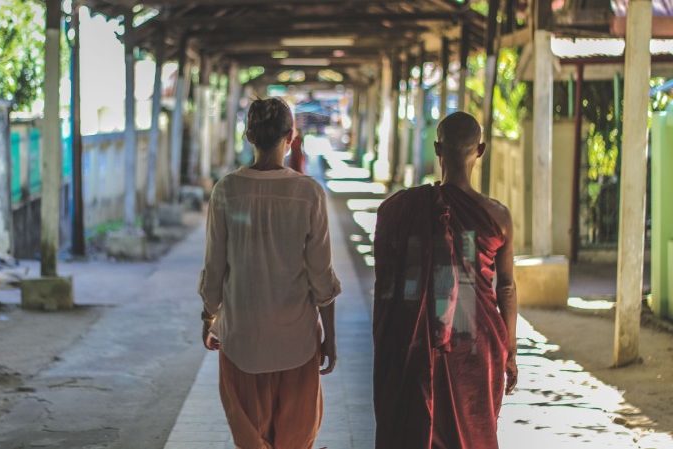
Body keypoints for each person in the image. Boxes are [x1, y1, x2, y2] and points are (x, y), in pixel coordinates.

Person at [199, 97, 341, 449]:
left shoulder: (227, 191)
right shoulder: (308, 193)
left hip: (241, 342)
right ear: (290, 136)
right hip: (297, 344)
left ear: (249, 135)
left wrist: (209, 317)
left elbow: (215, 268)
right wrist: (330, 338)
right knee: (294, 439)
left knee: (250, 440)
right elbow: (321, 276)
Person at [372, 111, 518, 449]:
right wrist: (509, 349)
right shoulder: (498, 216)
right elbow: (506, 287)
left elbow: (390, 280)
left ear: (438, 149)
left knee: (418, 429)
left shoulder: (403, 208)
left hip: (418, 337)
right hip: (477, 342)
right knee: (473, 430)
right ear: (479, 150)